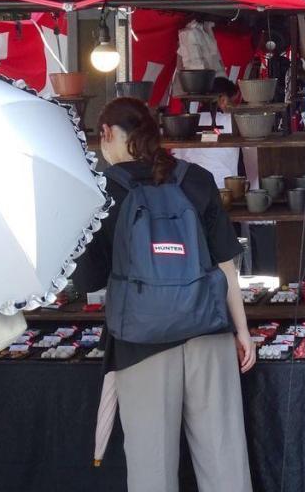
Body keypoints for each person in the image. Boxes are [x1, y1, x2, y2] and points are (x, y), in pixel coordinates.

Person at [73, 97, 254, 492]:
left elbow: (89, 280)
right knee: (224, 458)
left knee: (151, 467)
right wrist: (242, 331)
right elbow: (226, 265)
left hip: (142, 344)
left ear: (106, 134)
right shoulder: (197, 179)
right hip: (209, 331)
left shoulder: (101, 193)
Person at [173, 76, 241, 188]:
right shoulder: (232, 121)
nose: (235, 106)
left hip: (189, 187)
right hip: (223, 188)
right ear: (223, 100)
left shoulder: (186, 122)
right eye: (233, 102)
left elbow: (177, 157)